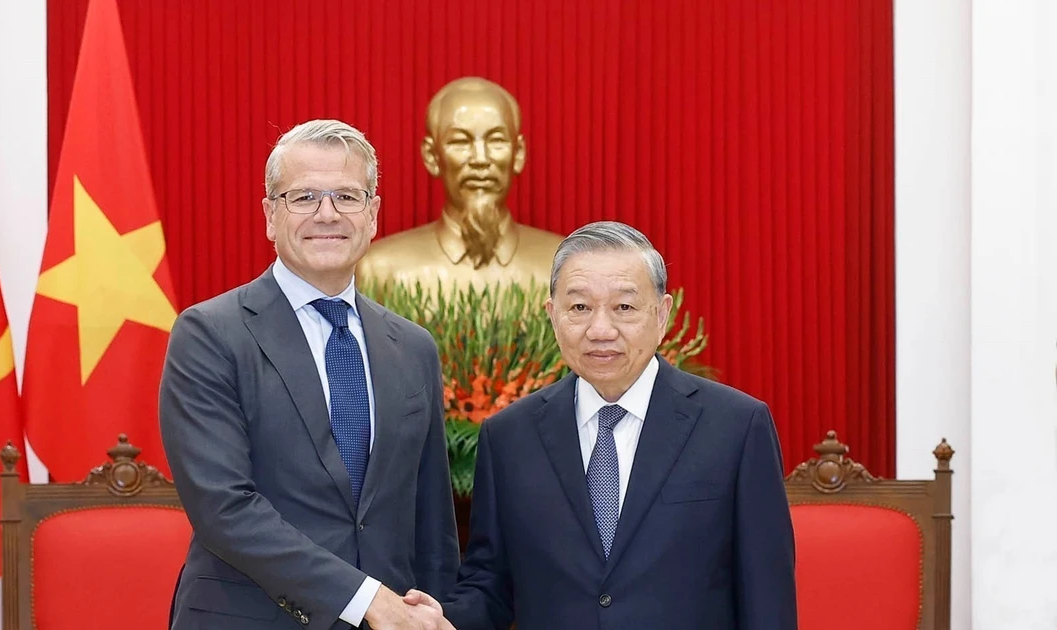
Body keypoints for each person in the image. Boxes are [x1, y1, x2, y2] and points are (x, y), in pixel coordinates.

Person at [405, 221, 798, 629]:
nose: (600, 330)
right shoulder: (509, 436)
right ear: (552, 315)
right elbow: (491, 584)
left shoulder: (735, 427)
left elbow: (766, 598)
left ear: (662, 314)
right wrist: (445, 620)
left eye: (624, 307)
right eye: (579, 308)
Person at [159, 119, 460, 629]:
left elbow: (432, 521)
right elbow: (224, 509)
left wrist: (437, 613)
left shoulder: (413, 348)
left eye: (347, 195)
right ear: (270, 216)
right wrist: (367, 600)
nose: (327, 214)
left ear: (373, 214)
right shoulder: (208, 335)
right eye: (302, 198)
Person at [356, 77, 563, 293]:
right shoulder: (380, 271)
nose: (480, 159)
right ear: (432, 156)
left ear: (518, 153)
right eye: (460, 142)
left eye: (496, 140)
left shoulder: (564, 267)